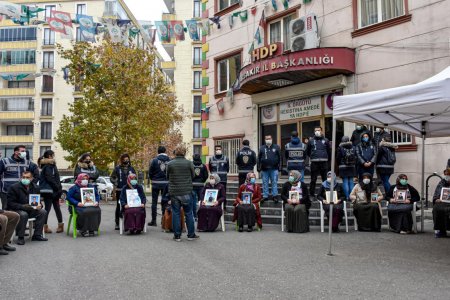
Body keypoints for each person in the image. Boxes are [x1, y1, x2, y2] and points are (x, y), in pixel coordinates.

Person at [166, 145, 198, 242]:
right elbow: (193, 175)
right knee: (188, 213)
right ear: (184, 153)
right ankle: (191, 235)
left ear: (175, 152)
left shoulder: (170, 164)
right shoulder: (189, 163)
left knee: (176, 213)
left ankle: (177, 236)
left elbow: (167, 176)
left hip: (174, 192)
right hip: (187, 192)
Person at [7, 171, 47, 245]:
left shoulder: (36, 187)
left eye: (27, 177)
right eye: (23, 177)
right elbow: (10, 203)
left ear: (32, 178)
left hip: (31, 209)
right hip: (17, 210)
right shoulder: (14, 187)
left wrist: (40, 205)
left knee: (43, 212)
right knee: (23, 214)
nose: (25, 179)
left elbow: (38, 202)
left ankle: (37, 235)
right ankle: (20, 237)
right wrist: (22, 206)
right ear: (21, 178)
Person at [0, 145, 39, 209]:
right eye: (22, 151)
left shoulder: (28, 163)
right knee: (7, 210)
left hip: (22, 191)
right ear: (16, 152)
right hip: (6, 191)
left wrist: (32, 185)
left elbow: (36, 175)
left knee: (22, 209)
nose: (24, 153)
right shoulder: (4, 161)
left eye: (25, 151)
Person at [39, 150, 63, 234]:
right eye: (53, 155)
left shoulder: (51, 165)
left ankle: (59, 225)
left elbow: (56, 178)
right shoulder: (48, 166)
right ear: (49, 156)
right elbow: (50, 178)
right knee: (48, 209)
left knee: (55, 208)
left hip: (52, 191)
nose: (54, 156)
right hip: (50, 191)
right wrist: (57, 188)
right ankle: (45, 227)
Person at [111, 153, 135, 230]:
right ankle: (117, 223)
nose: (126, 161)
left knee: (129, 206)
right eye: (124, 159)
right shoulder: (117, 168)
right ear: (122, 160)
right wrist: (116, 182)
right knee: (119, 206)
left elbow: (135, 178)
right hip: (120, 190)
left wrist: (134, 183)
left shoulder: (131, 168)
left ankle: (128, 222)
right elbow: (112, 177)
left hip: (130, 190)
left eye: (127, 159)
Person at [306, 126, 331, 197]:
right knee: (313, 179)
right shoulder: (311, 140)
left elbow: (329, 151)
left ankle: (325, 194)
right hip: (314, 162)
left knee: (325, 180)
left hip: (324, 162)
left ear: (321, 131)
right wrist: (312, 156)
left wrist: (326, 158)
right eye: (315, 130)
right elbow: (307, 151)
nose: (317, 132)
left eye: (318, 130)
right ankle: (311, 194)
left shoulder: (326, 140)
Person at [148, 146, 171, 226]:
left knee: (154, 202)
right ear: (165, 151)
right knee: (164, 201)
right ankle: (163, 220)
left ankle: (153, 221)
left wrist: (152, 179)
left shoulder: (154, 160)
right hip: (166, 184)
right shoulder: (169, 160)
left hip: (155, 183)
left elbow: (150, 172)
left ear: (158, 152)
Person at [257, 134, 282, 203]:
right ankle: (265, 196)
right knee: (265, 183)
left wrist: (280, 166)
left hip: (274, 169)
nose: (268, 140)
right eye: (267, 139)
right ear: (265, 140)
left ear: (272, 139)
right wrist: (258, 167)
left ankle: (275, 196)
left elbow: (280, 157)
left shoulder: (276, 147)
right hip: (264, 169)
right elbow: (258, 158)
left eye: (269, 138)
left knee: (274, 182)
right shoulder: (262, 148)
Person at [432, 168, 450, 238]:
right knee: (437, 208)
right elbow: (437, 192)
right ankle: (441, 230)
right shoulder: (442, 182)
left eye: (448, 175)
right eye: (445, 175)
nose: (446, 176)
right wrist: (436, 199)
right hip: (442, 202)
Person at [192, 154, 208, 220]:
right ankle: (201, 215)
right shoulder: (203, 166)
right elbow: (206, 175)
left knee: (193, 201)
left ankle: (195, 216)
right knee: (201, 200)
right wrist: (202, 181)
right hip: (201, 185)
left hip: (192, 185)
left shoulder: (191, 165)